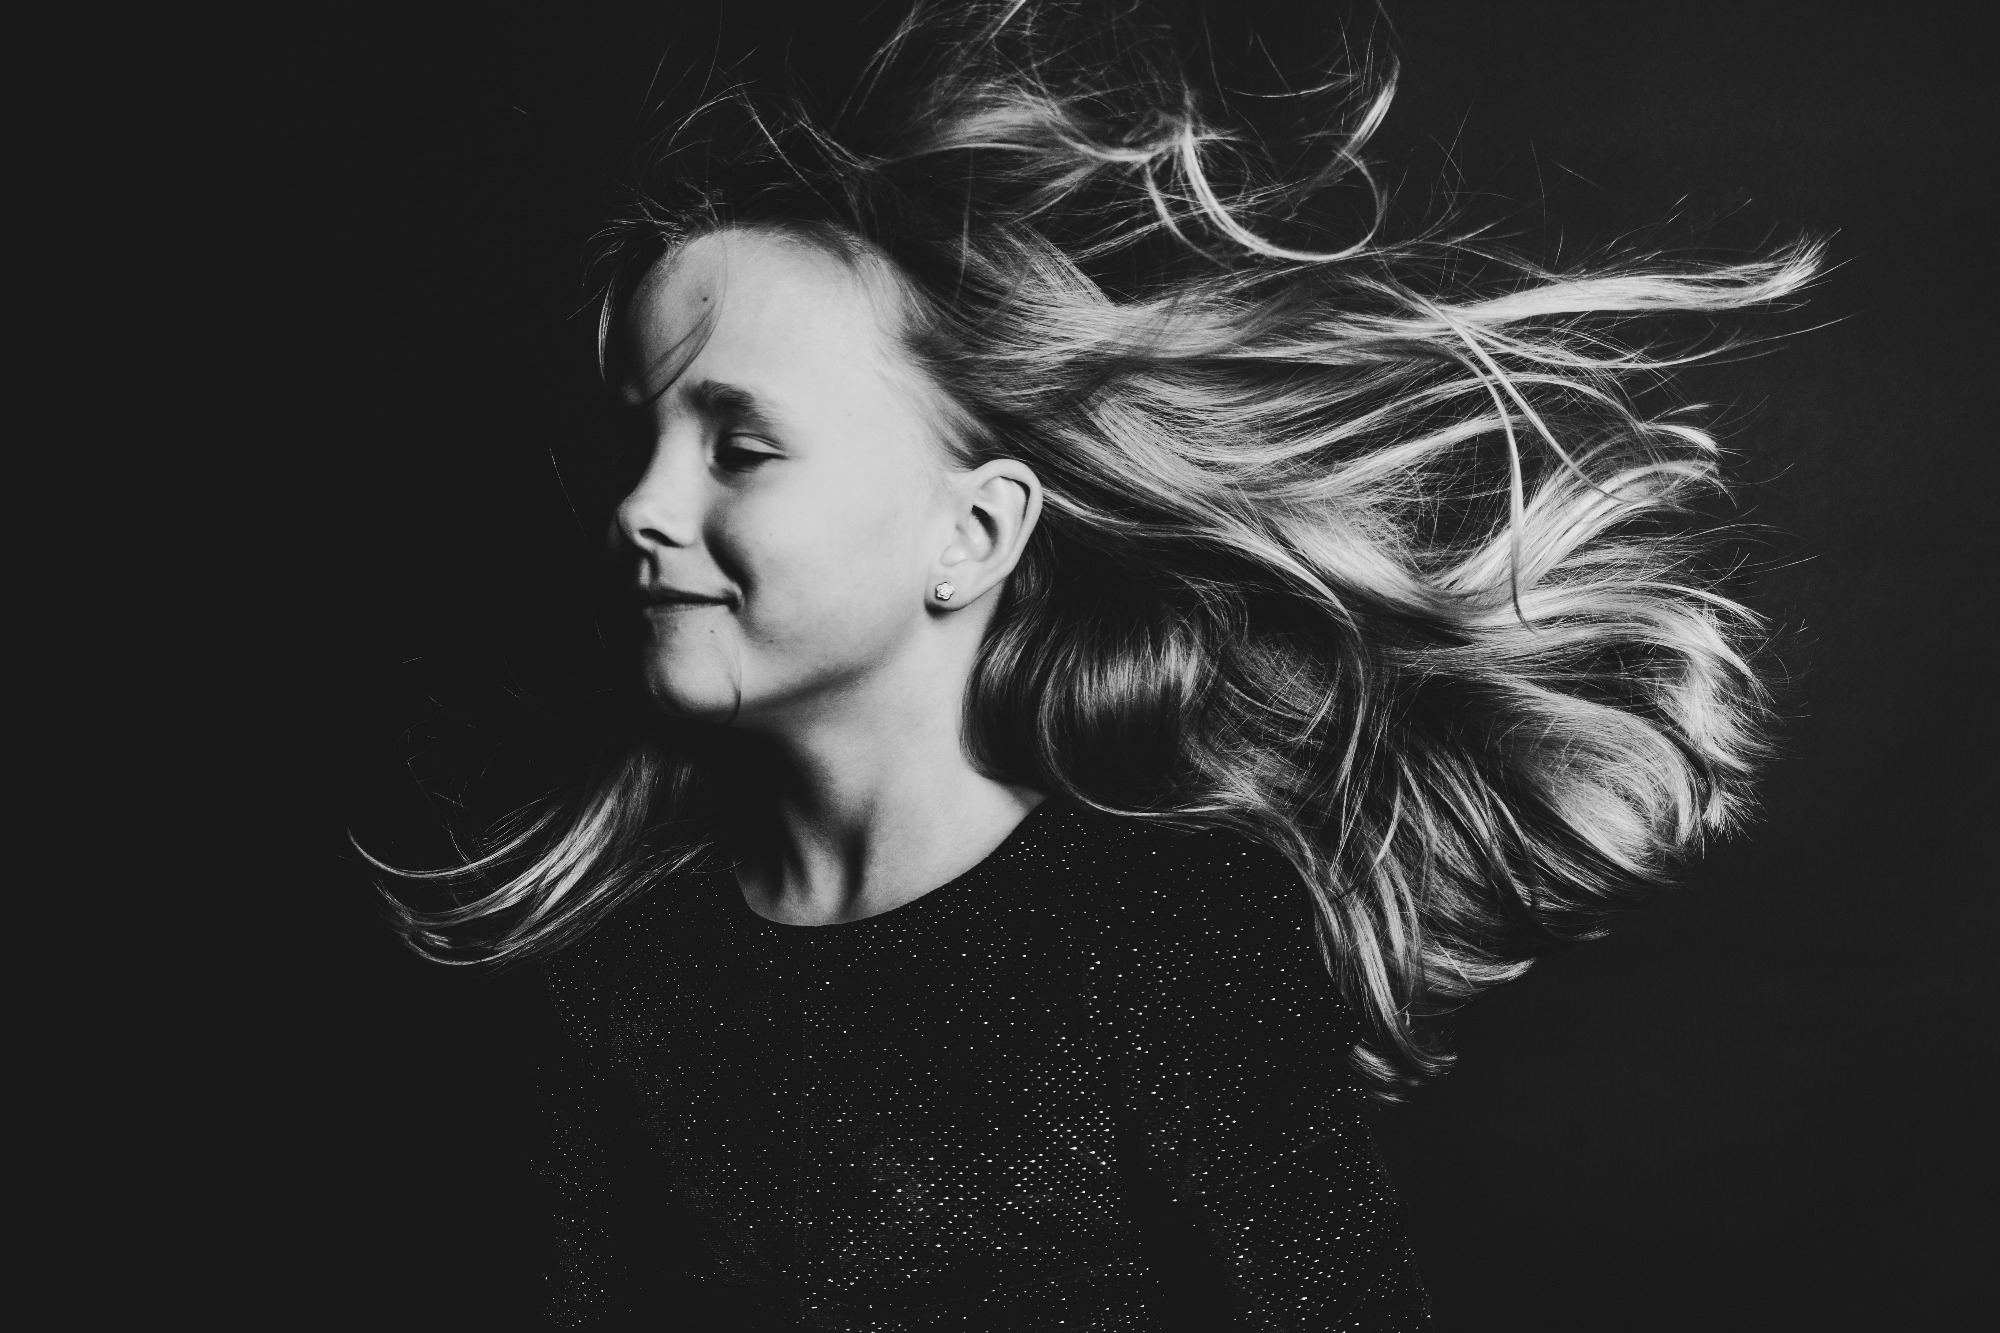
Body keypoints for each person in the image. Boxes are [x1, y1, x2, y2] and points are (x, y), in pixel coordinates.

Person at [375, 2, 1817, 1326]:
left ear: (974, 533)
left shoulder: (1168, 934)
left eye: (739, 448)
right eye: (637, 441)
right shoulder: (619, 965)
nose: (639, 507)